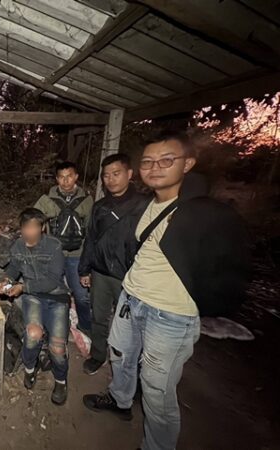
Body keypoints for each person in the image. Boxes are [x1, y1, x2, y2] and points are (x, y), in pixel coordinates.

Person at [83, 131, 249, 450]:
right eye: (148, 161)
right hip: (132, 298)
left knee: (157, 389)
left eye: (166, 160)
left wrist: (207, 307)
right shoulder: (147, 204)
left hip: (170, 314)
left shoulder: (203, 211)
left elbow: (232, 266)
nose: (155, 167)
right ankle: (120, 401)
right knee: (120, 356)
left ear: (188, 164)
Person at [78, 153, 149, 375]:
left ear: (129, 174)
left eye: (116, 173)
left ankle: (130, 366)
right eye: (106, 175)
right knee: (99, 317)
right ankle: (98, 354)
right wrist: (85, 269)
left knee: (131, 324)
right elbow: (91, 238)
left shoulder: (144, 205)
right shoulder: (100, 206)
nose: (110, 179)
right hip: (100, 273)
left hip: (129, 276)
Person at [0, 208, 70, 405]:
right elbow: (14, 267)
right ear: (21, 228)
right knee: (33, 334)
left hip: (57, 297)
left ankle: (61, 381)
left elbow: (52, 280)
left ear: (42, 227)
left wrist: (22, 287)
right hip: (33, 297)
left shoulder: (53, 246)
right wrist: (6, 280)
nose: (29, 232)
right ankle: (30, 369)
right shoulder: (18, 246)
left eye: (34, 227)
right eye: (25, 228)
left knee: (57, 347)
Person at [34, 161, 93, 334]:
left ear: (76, 177)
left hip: (78, 255)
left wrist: (88, 264)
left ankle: (85, 327)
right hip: (54, 255)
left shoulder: (87, 201)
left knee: (81, 296)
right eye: (61, 177)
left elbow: (92, 231)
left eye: (69, 176)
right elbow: (32, 221)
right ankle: (52, 328)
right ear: (56, 179)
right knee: (52, 293)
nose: (66, 181)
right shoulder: (46, 200)